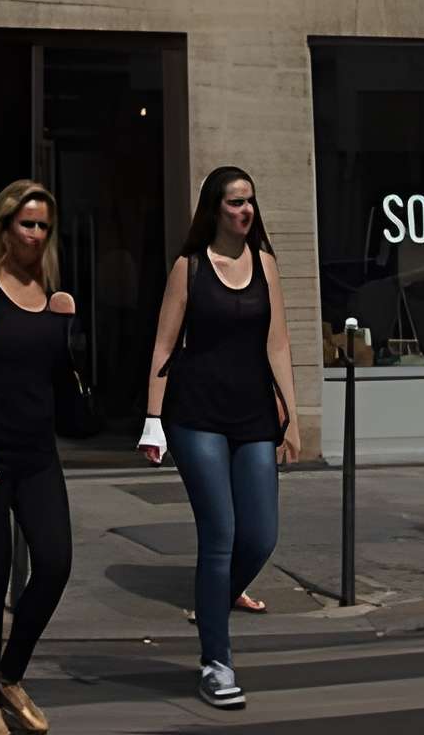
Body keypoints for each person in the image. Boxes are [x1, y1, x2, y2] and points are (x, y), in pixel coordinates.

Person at [140, 166, 301, 713]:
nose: (246, 211)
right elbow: (163, 347)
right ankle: (217, 661)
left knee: (261, 535)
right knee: (221, 533)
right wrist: (152, 422)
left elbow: (277, 344)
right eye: (235, 203)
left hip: (254, 413)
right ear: (215, 209)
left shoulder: (267, 265)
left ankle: (215, 596)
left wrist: (293, 417)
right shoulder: (189, 267)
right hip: (196, 414)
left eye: (250, 201)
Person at [0, 179, 76, 735]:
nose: (34, 234)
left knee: (54, 563)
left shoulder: (52, 293)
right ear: (4, 227)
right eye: (26, 223)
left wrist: (63, 323)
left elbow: (55, 376)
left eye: (43, 226)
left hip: (38, 451)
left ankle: (10, 673)